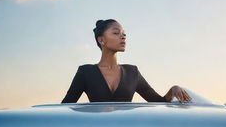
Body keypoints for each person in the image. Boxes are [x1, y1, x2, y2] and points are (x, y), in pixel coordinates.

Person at [62, 19, 192, 103]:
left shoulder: (132, 72)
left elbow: (158, 102)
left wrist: (173, 90)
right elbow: (65, 107)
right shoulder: (85, 72)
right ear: (101, 40)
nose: (123, 36)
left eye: (124, 33)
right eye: (116, 33)